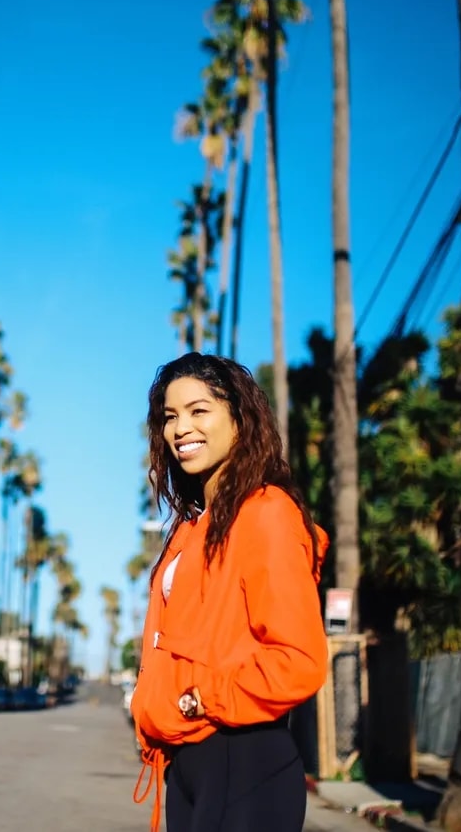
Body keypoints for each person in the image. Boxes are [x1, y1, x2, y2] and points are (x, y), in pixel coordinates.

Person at [130, 352, 328, 832]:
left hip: (243, 760)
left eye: (199, 411)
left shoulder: (266, 513)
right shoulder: (190, 529)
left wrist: (196, 699)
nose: (180, 429)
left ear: (240, 418)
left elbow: (298, 659)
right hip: (188, 764)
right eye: (170, 416)